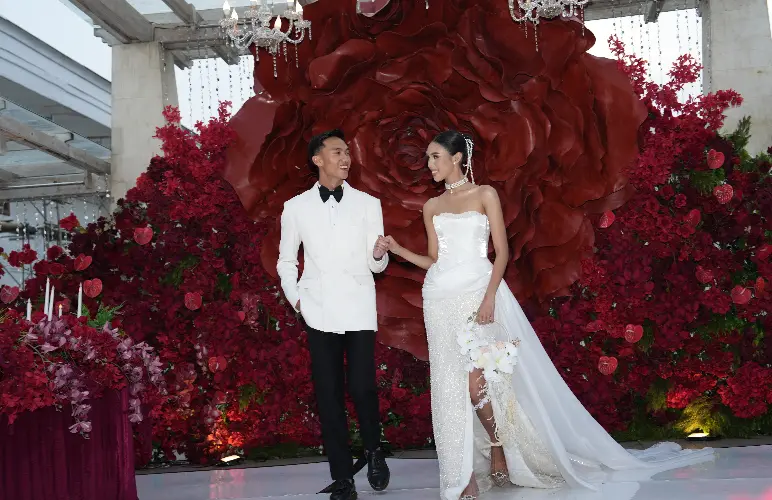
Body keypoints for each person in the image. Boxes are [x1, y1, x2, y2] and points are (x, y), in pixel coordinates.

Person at [382, 130, 714, 500]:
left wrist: (489, 298)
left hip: (477, 293)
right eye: (428, 158)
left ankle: (497, 445)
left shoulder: (485, 194)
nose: (429, 164)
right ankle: (462, 477)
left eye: (435, 156)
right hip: (439, 299)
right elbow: (434, 260)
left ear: (457, 157)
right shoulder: (432, 206)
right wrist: (398, 249)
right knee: (448, 387)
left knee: (478, 384)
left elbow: (502, 253)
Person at [277, 129, 391, 500]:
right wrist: (297, 300)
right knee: (329, 396)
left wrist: (379, 254)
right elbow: (286, 260)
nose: (345, 158)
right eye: (337, 152)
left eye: (347, 152)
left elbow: (376, 264)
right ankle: (343, 477)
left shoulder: (368, 203)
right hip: (318, 309)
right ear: (318, 159)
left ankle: (373, 449)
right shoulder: (295, 207)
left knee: (362, 387)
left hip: (358, 306)